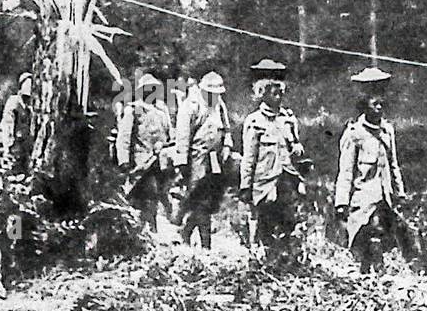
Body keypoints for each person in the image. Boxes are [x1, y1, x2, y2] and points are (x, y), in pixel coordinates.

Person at [334, 67, 414, 273]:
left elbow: (393, 164)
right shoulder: (354, 134)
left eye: (381, 96)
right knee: (372, 235)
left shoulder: (387, 131)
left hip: (384, 198)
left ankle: (373, 278)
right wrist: (341, 203)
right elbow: (346, 172)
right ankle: (375, 277)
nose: (378, 102)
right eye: (372, 98)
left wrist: (400, 193)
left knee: (385, 238)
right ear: (363, 103)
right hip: (363, 201)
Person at [240, 59, 307, 251]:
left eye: (281, 93)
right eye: (274, 93)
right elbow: (249, 158)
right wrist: (246, 186)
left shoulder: (288, 120)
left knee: (288, 221)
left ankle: (286, 259)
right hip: (264, 183)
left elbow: (295, 144)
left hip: (286, 180)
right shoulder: (254, 122)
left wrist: (297, 149)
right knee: (264, 223)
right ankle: (262, 259)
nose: (279, 97)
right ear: (262, 94)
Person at [174, 71, 233, 249]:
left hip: (215, 159)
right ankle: (204, 243)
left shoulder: (219, 105)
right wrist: (182, 163)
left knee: (210, 199)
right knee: (200, 199)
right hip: (197, 159)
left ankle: (186, 230)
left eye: (217, 94)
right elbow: (183, 136)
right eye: (211, 93)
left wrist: (228, 146)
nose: (214, 97)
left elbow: (227, 128)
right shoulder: (190, 105)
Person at [116, 72, 173, 229]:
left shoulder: (162, 111)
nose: (151, 91)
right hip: (141, 163)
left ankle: (149, 229)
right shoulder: (133, 110)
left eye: (154, 88)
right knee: (148, 194)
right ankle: (144, 230)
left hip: (160, 163)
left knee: (158, 196)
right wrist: (124, 161)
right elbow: (124, 137)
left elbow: (169, 134)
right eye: (148, 89)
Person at [0, 72, 34, 175]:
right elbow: (8, 124)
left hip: (23, 144)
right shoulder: (13, 103)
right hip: (10, 142)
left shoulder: (31, 108)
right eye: (25, 96)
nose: (27, 100)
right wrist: (8, 145)